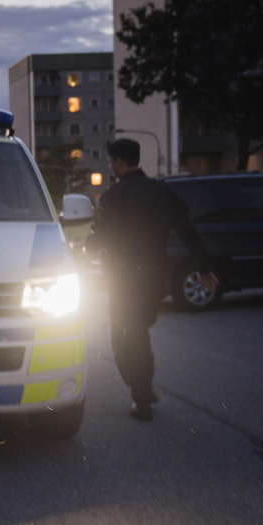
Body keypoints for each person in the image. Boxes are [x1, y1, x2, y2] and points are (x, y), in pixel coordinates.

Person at [85, 138, 216, 422]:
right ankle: (142, 387)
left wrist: (86, 249)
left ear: (119, 163)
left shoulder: (114, 197)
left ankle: (141, 392)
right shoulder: (163, 192)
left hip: (123, 277)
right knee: (139, 332)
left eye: (111, 161)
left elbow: (99, 236)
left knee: (123, 339)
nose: (110, 165)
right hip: (154, 275)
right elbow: (188, 232)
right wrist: (204, 268)